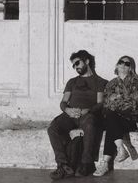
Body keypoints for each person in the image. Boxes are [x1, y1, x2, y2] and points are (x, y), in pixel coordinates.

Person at [47, 50, 108, 180]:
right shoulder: (72, 82)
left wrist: (87, 110)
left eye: (77, 63)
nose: (76, 67)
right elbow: (63, 102)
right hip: (71, 115)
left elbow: (100, 103)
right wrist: (67, 110)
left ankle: (86, 163)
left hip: (87, 115)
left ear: (87, 61)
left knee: (90, 123)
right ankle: (63, 166)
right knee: (53, 128)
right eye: (74, 65)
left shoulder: (100, 82)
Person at [93, 55, 138, 176]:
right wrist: (120, 100)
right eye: (121, 62)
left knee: (111, 118)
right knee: (111, 118)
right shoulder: (111, 84)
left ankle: (106, 162)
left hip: (136, 119)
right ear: (117, 65)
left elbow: (134, 104)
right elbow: (106, 103)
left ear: (131, 68)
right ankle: (119, 150)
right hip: (117, 119)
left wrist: (115, 100)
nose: (123, 65)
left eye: (127, 64)